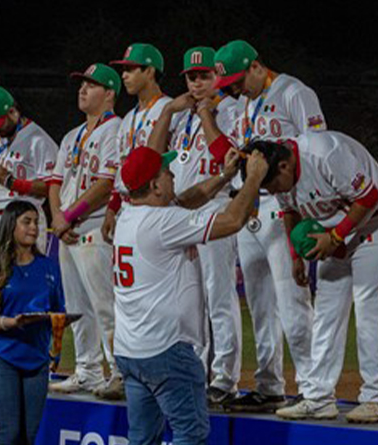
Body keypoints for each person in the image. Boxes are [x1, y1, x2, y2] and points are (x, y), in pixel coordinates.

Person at [112, 145, 268, 445]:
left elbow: (186, 200)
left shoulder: (129, 214)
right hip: (166, 350)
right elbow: (232, 222)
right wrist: (253, 179)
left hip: (131, 350)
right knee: (191, 434)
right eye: (167, 172)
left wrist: (224, 175)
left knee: (142, 438)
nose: (173, 175)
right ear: (156, 186)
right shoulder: (162, 223)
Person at [245, 133, 378, 424]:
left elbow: (369, 197)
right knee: (327, 311)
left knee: (370, 308)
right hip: (337, 227)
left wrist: (335, 236)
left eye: (273, 184)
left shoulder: (324, 153)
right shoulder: (276, 168)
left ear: (284, 167)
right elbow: (290, 211)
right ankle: (318, 397)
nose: (273, 190)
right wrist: (296, 256)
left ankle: (376, 399)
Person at [202, 39, 318, 412]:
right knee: (261, 308)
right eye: (228, 84)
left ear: (256, 66)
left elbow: (315, 149)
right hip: (251, 208)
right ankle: (270, 386)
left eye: (237, 80)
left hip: (284, 206)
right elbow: (231, 156)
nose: (234, 89)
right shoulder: (245, 104)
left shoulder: (294, 93)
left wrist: (304, 214)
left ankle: (316, 389)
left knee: (293, 304)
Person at [145, 46, 253, 410]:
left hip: (217, 206)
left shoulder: (233, 109)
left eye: (204, 75)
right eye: (191, 77)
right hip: (181, 214)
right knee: (190, 300)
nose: (197, 82)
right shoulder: (182, 115)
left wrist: (207, 112)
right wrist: (168, 112)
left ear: (218, 78)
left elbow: (227, 157)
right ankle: (197, 372)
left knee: (219, 297)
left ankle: (224, 378)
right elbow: (152, 157)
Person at [48, 63, 123, 398]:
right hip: (67, 228)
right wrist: (57, 217)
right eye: (82, 84)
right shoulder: (71, 134)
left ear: (109, 94)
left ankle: (120, 371)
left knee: (105, 305)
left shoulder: (116, 129)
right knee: (77, 307)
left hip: (93, 227)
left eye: (91, 85)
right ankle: (88, 370)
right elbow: (55, 182)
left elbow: (107, 184)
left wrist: (69, 215)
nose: (82, 90)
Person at [0, 200, 65, 445]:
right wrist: (11, 322)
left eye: (36, 222)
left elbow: (59, 313)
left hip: (36, 360)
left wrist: (55, 345)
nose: (34, 228)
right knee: (7, 437)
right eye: (27, 222)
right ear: (11, 225)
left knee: (27, 438)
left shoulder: (49, 267)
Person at [102, 43, 172, 243]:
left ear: (149, 71)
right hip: (126, 207)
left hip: (156, 207)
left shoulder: (170, 109)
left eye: (130, 69)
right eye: (124, 70)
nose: (124, 76)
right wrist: (112, 209)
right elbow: (120, 169)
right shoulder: (128, 119)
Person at [0, 86, 57, 254]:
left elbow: (51, 187)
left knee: (25, 277)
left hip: (24, 220)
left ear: (13, 112)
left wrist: (11, 182)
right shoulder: (3, 139)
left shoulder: (39, 140)